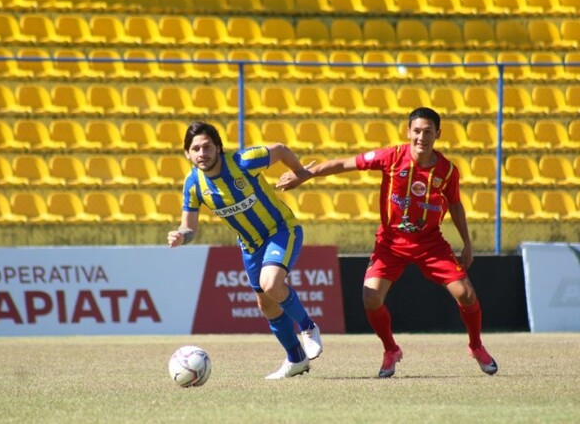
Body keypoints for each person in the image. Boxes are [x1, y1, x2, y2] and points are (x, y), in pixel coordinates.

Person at [276, 107, 498, 378]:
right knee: (370, 297)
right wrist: (306, 174)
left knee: (466, 293)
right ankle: (390, 349)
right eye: (416, 131)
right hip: (391, 242)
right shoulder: (392, 157)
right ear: (408, 132)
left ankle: (476, 346)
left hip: (430, 243)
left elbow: (455, 205)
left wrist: (467, 243)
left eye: (428, 132)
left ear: (438, 134)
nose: (421, 137)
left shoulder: (447, 171)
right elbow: (345, 164)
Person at [167, 120, 322, 380]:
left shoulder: (243, 161)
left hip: (280, 229)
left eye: (207, 147)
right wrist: (180, 236)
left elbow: (281, 149)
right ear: (187, 153)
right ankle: (296, 359)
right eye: (195, 149)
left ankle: (308, 327)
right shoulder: (193, 184)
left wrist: (299, 172)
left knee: (271, 283)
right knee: (268, 306)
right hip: (250, 245)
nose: (202, 154)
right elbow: (189, 228)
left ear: (218, 148)